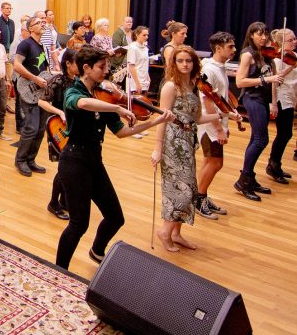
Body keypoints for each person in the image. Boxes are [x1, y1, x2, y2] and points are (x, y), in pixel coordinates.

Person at [56, 46, 174, 268]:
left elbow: (122, 132)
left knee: (115, 217)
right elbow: (82, 104)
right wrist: (117, 108)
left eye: (107, 66)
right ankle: (59, 270)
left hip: (94, 162)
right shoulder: (74, 92)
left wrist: (156, 121)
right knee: (78, 224)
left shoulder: (103, 95)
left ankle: (96, 251)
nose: (106, 71)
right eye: (102, 67)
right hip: (74, 162)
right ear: (86, 68)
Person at [151, 46, 221, 252]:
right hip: (173, 142)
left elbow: (197, 118)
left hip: (187, 140)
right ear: (174, 63)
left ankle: (176, 233)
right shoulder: (170, 87)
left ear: (194, 63)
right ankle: (165, 231)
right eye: (180, 61)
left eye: (188, 61)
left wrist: (223, 115)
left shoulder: (193, 86)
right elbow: (162, 120)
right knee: (181, 189)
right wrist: (157, 147)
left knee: (190, 189)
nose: (184, 64)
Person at [233, 22, 284, 201]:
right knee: (262, 140)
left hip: (264, 100)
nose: (263, 37)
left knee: (256, 139)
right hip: (252, 98)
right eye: (259, 34)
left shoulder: (268, 54)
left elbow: (275, 80)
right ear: (251, 35)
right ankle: (243, 179)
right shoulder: (248, 54)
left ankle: (249, 178)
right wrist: (266, 79)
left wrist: (275, 102)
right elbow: (240, 82)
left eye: (265, 34)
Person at [196, 32, 240, 219]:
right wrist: (219, 129)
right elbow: (207, 102)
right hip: (210, 125)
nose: (234, 49)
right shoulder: (210, 69)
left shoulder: (219, 67)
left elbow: (220, 95)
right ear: (218, 48)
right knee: (216, 163)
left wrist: (231, 112)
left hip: (218, 120)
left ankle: (201, 195)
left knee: (209, 161)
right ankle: (199, 199)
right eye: (230, 46)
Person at [37, 49, 79, 220]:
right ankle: (54, 203)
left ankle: (63, 200)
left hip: (75, 126)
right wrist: (59, 112)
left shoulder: (79, 81)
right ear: (68, 64)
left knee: (72, 166)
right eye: (77, 63)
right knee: (65, 167)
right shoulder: (57, 81)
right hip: (59, 127)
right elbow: (41, 101)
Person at [14, 16, 50, 177]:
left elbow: (44, 69)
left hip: (41, 92)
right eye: (39, 23)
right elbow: (16, 65)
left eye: (43, 22)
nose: (43, 24)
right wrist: (35, 79)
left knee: (41, 129)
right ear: (30, 28)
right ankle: (20, 160)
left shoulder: (42, 46)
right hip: (28, 90)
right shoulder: (25, 44)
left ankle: (30, 159)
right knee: (31, 127)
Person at [267, 28, 296, 183]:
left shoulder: (294, 56)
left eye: (294, 39)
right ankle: (273, 165)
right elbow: (274, 81)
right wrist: (273, 103)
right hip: (281, 98)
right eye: (290, 40)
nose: (294, 42)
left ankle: (275, 164)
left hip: (291, 97)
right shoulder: (277, 59)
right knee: (284, 133)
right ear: (280, 43)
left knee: (286, 133)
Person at [9, 17, 32, 135]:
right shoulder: (17, 43)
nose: (30, 33)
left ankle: (26, 123)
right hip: (18, 76)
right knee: (19, 103)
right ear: (23, 31)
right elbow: (12, 58)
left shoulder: (30, 42)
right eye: (29, 30)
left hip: (27, 77)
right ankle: (20, 126)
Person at [0, 2, 16, 114]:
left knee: (9, 79)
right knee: (0, 77)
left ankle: (5, 103)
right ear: (1, 9)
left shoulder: (11, 22)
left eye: (10, 8)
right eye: (6, 8)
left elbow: (11, 38)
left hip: (8, 51)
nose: (8, 10)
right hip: (0, 51)